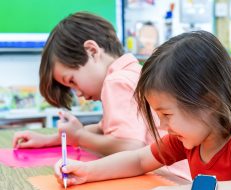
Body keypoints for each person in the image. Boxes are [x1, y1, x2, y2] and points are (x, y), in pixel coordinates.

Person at [53, 31, 231, 190]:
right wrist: (88, 172)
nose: (161, 125)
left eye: (166, 114)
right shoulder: (189, 142)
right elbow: (139, 160)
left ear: (209, 103)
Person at [12, 11, 190, 180]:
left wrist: (79, 137)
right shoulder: (133, 72)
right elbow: (102, 128)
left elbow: (129, 146)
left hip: (169, 178)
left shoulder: (116, 82)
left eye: (72, 81)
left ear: (92, 51)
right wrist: (51, 139)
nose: (79, 93)